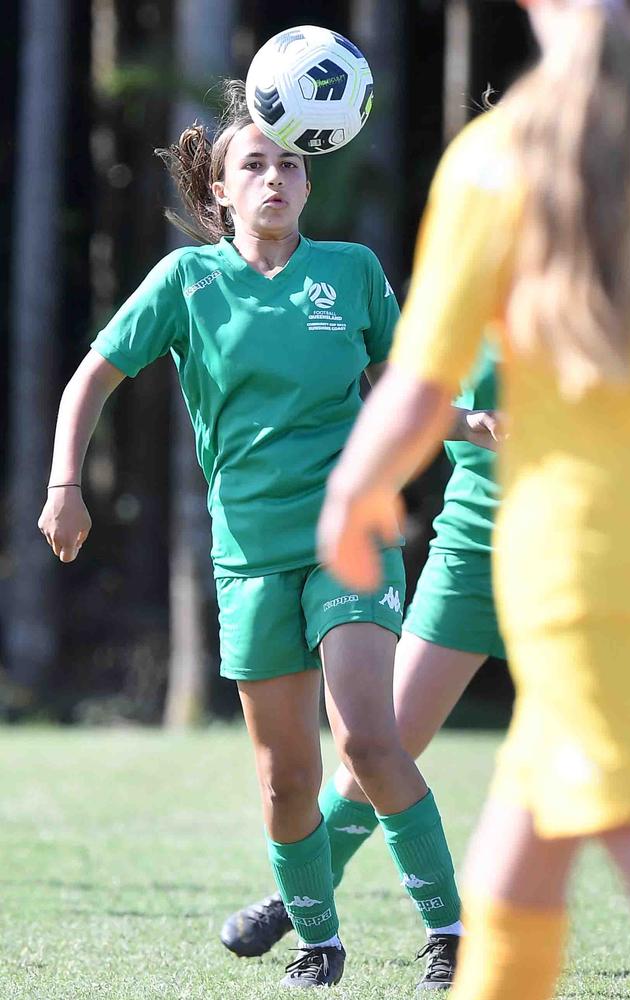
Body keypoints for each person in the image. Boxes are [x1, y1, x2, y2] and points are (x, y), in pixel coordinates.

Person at [38, 79, 499, 991]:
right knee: (286, 777)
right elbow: (90, 378)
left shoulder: (353, 273)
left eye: (292, 162)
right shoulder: (186, 281)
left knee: (368, 737)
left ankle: (452, 932)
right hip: (247, 555)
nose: (277, 177)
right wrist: (65, 486)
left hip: (349, 538)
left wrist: (473, 422)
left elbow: (399, 391)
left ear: (309, 180)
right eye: (255, 164)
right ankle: (318, 943)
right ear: (219, 189)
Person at [316, 2, 630, 999]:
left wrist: (352, 490)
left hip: (576, 568)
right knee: (518, 853)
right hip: (589, 574)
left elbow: (421, 387)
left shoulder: (496, 159)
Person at [220, 341, 505, 992]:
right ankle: (299, 899)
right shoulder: (462, 293)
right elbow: (404, 400)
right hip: (473, 551)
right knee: (379, 746)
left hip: (593, 554)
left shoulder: (618, 282)